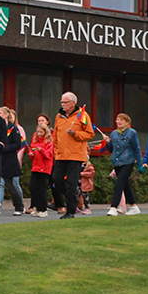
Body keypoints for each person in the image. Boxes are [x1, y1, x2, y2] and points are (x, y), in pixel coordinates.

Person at [52, 92, 96, 221]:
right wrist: (55, 151)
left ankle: (70, 211)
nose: (63, 105)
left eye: (65, 102)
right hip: (60, 155)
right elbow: (56, 136)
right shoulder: (58, 117)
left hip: (76, 155)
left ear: (73, 103)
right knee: (57, 179)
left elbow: (90, 134)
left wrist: (76, 133)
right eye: (62, 102)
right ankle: (74, 198)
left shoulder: (82, 116)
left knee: (72, 183)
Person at [106, 112, 143, 216]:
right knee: (125, 185)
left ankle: (113, 207)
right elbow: (111, 149)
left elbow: (137, 148)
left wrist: (140, 164)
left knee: (118, 184)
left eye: (121, 120)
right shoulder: (114, 133)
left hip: (128, 162)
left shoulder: (132, 133)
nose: (118, 122)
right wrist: (108, 142)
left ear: (127, 123)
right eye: (117, 120)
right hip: (117, 163)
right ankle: (134, 206)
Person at [0, 106, 28, 214]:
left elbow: (17, 144)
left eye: (0, 113)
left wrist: (4, 148)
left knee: (11, 185)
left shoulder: (13, 128)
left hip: (10, 160)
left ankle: (19, 207)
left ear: (6, 115)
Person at [27, 118, 56, 215]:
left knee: (41, 188)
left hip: (44, 168)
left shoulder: (49, 143)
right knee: (33, 187)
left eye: (41, 132)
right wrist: (31, 154)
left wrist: (41, 150)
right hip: (35, 167)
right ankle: (36, 207)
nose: (39, 134)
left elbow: (48, 155)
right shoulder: (35, 141)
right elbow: (31, 150)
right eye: (37, 132)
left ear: (45, 132)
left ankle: (43, 209)